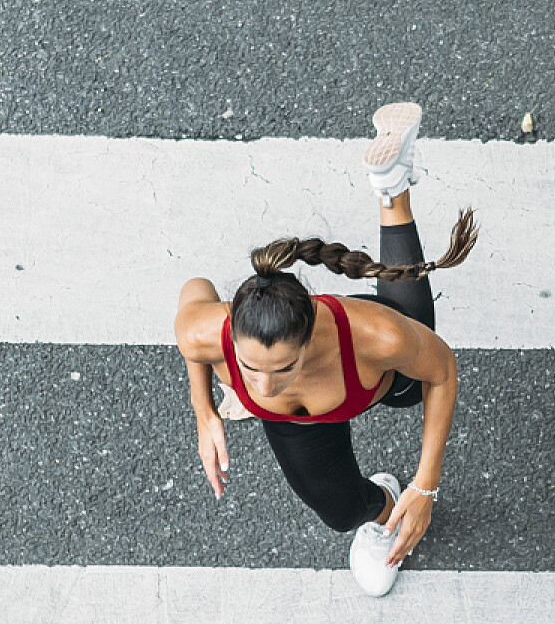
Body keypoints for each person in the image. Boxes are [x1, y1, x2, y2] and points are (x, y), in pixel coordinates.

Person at [175, 104, 473, 597]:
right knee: (337, 510)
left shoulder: (373, 336)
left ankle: (391, 188)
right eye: (250, 367)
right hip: (303, 418)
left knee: (414, 379)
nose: (262, 387)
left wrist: (426, 485)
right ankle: (386, 515)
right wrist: (203, 408)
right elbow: (193, 288)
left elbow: (443, 370)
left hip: (374, 378)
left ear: (311, 336)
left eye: (282, 368)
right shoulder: (204, 335)